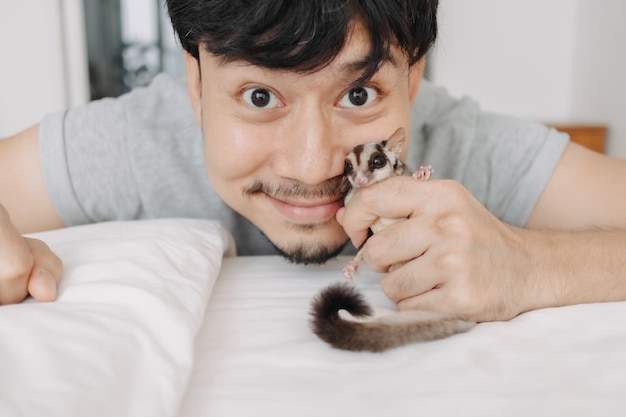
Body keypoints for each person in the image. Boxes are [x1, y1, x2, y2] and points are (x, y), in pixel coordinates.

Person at [1, 0, 626, 322]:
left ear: (413, 81)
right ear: (194, 84)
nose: (310, 165)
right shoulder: (129, 144)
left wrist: (531, 265)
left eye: (358, 95)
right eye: (260, 96)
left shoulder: (466, 144)